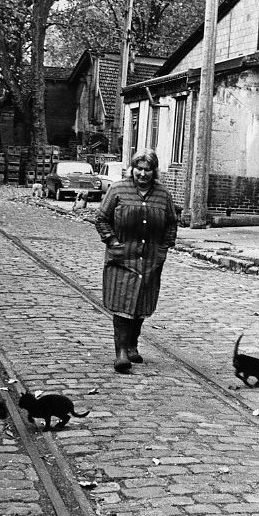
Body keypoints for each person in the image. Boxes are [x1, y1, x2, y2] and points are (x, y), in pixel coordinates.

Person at [94, 148, 179, 372]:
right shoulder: (118, 189)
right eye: (138, 169)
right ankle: (121, 352)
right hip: (122, 257)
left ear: (154, 172)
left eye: (147, 170)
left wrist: (164, 247)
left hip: (150, 258)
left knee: (140, 304)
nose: (142, 174)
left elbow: (171, 222)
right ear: (132, 169)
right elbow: (101, 218)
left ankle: (132, 344)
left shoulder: (162, 194)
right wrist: (112, 241)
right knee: (122, 304)